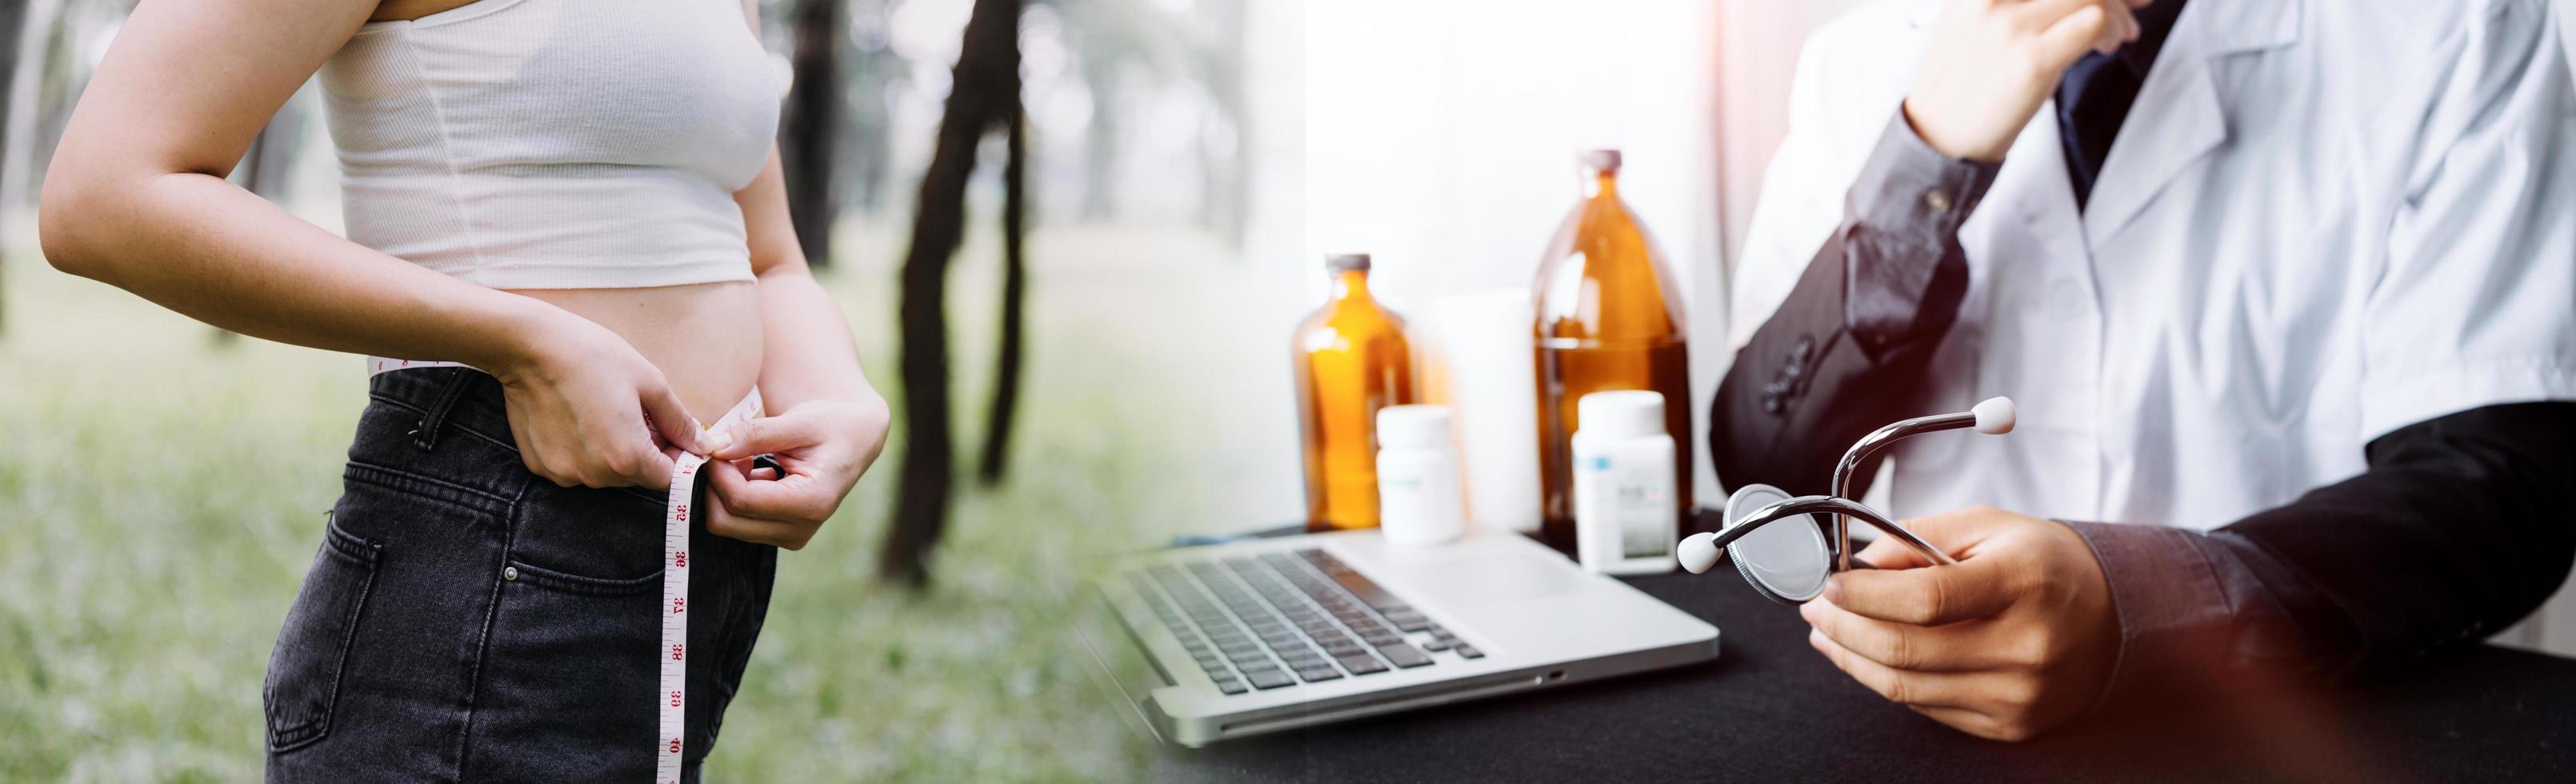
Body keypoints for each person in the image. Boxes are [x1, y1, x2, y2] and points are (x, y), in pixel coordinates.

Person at [38, 0, 890, 778]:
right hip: (494, 551)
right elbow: (104, 194)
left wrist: (845, 399)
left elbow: (766, 254)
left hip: (687, 575)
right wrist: (522, 341)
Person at [1711, 0, 2576, 741]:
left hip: (2314, 729)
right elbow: (1763, 464)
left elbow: (2497, 486)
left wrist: (2142, 602)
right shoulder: (1860, 54)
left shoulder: (2450, 29)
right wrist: (1925, 161)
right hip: (1919, 732)